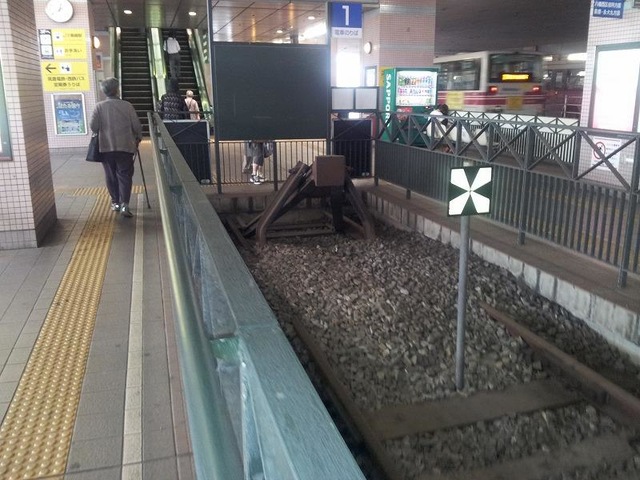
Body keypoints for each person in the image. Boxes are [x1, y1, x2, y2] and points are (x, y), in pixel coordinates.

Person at [90, 77, 142, 218]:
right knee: (125, 175)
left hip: (106, 147)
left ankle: (115, 203)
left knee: (110, 175)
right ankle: (125, 204)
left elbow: (93, 126)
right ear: (117, 89)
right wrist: (138, 137)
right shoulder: (127, 106)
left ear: (104, 91)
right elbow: (136, 126)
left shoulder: (99, 107)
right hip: (125, 147)